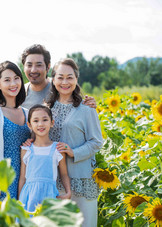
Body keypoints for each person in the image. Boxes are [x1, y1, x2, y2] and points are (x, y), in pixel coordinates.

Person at [47, 58, 103, 227]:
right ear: (53, 79)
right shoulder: (45, 109)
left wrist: (74, 152)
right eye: (60, 77)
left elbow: (96, 141)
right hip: (53, 180)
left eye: (70, 77)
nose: (65, 82)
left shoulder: (86, 109)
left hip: (81, 179)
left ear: (76, 79)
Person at [0, 61, 30, 200]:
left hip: (25, 176)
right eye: (7, 80)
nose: (13, 84)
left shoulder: (27, 113)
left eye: (16, 78)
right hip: (2, 177)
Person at [18, 104, 71, 212]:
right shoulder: (26, 149)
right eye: (36, 121)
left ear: (52, 123)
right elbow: (23, 177)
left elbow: (64, 174)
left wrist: (68, 192)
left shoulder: (58, 149)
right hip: (28, 197)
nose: (40, 124)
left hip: (49, 196)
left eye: (45, 120)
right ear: (29, 125)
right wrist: (19, 202)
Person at [20, 44, 96, 109]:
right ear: (23, 67)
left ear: (48, 66)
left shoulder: (61, 87)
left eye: (39, 65)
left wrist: (89, 104)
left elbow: (78, 105)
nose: (33, 70)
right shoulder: (19, 93)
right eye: (29, 65)